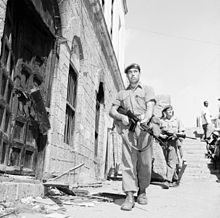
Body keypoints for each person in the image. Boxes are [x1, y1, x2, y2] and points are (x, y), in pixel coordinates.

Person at [109, 63, 156, 211]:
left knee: (146, 164)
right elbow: (112, 110)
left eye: (135, 71)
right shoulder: (122, 93)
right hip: (128, 130)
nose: (133, 74)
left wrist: (145, 119)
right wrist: (121, 116)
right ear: (127, 76)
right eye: (130, 72)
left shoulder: (147, 89)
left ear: (139, 74)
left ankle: (142, 191)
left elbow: (150, 108)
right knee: (128, 163)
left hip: (144, 129)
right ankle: (129, 195)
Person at [159, 105, 185, 187]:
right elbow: (158, 132)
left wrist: (176, 135)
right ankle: (175, 179)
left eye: (171, 110)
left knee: (171, 161)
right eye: (168, 110)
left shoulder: (177, 120)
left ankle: (167, 180)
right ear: (164, 112)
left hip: (173, 143)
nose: (170, 111)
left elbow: (182, 132)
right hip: (164, 143)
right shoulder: (161, 121)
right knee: (168, 161)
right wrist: (162, 136)